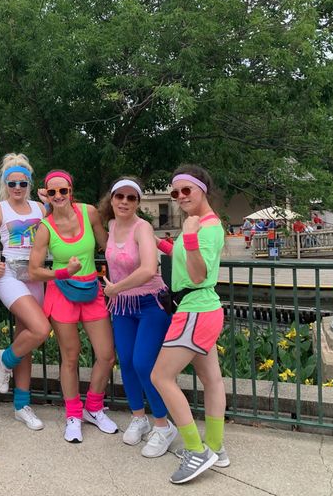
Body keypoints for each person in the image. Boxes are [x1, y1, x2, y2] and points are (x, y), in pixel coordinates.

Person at [151, 165, 229, 484]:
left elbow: (198, 274)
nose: (180, 196)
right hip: (201, 308)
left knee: (161, 376)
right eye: (175, 192)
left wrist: (193, 238)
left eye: (187, 190)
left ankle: (197, 451)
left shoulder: (205, 228)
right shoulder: (197, 225)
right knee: (212, 379)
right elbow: (186, 259)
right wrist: (163, 245)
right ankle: (215, 447)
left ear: (202, 190)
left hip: (195, 310)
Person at [28, 170, 118, 444]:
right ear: (47, 194)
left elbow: (108, 246)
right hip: (62, 292)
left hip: (91, 290)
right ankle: (73, 414)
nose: (58, 196)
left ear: (71, 191)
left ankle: (93, 407)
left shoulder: (89, 213)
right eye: (52, 192)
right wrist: (63, 273)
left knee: (106, 354)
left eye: (63, 191)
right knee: (70, 356)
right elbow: (34, 271)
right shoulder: (45, 227)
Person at [98, 177, 174, 457]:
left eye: (131, 198)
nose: (125, 202)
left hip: (150, 303)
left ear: (138, 203)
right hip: (123, 307)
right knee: (127, 362)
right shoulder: (111, 225)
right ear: (112, 199)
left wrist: (114, 288)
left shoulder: (143, 228)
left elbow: (147, 269)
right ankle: (138, 417)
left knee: (144, 364)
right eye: (120, 197)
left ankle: (163, 425)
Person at [0, 153, 50, 431]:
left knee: (25, 339)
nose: (17, 188)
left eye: (22, 183)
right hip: (10, 275)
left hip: (36, 274)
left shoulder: (40, 209)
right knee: (40, 329)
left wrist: (49, 201)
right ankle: (4, 360)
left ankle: (21, 405)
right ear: (5, 184)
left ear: (29, 183)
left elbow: (64, 225)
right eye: (12, 183)